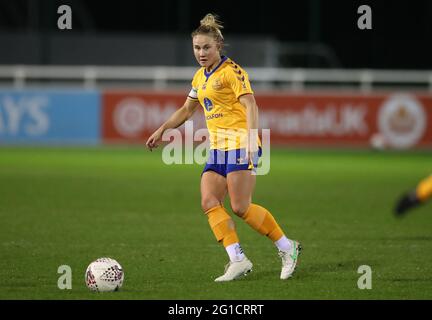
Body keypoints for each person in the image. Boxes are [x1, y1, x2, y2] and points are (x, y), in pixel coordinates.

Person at [146, 13, 301, 281]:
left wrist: (252, 140)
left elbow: (251, 104)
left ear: (218, 45)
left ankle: (288, 248)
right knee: (209, 201)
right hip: (218, 147)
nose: (201, 52)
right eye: (197, 47)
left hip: (241, 142)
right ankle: (238, 259)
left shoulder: (232, 72)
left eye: (207, 47)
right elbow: (186, 109)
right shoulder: (199, 77)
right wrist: (162, 130)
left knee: (241, 207)